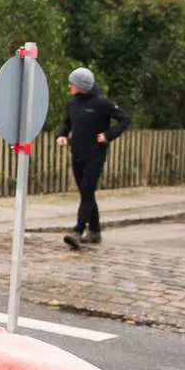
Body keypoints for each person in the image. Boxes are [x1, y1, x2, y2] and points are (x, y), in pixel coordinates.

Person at [55, 67, 130, 248]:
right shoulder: (72, 103)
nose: (69, 86)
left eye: (72, 83)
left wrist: (108, 135)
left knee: (87, 192)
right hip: (77, 153)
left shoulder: (101, 102)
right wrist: (61, 135)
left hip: (95, 154)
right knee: (85, 193)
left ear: (81, 86)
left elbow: (125, 119)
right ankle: (95, 230)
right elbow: (67, 123)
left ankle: (78, 230)